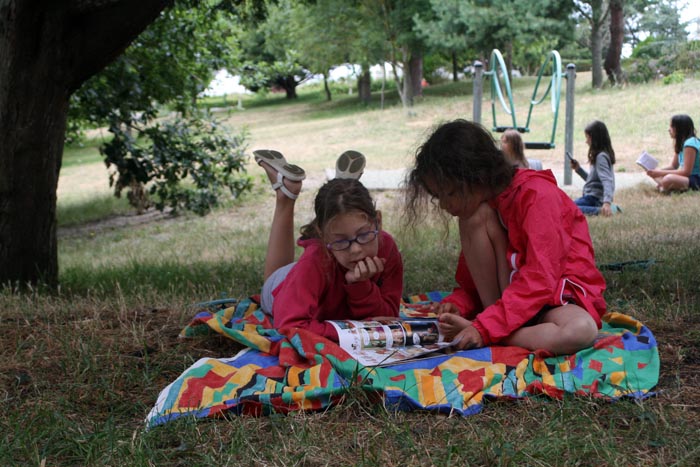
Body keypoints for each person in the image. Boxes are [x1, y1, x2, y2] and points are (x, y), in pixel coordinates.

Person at [404, 119, 607, 355]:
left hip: (552, 297)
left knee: (581, 330)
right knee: (473, 217)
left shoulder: (537, 195)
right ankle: (493, 328)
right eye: (438, 197)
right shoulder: (479, 211)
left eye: (449, 193)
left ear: (475, 174)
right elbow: (471, 284)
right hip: (508, 305)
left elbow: (540, 280)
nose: (446, 205)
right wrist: (459, 304)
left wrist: (483, 328)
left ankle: (495, 333)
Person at [253, 149, 403, 342]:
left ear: (379, 222)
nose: (356, 249)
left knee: (338, 215)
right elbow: (289, 326)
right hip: (285, 285)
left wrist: (360, 286)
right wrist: (350, 332)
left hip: (321, 271)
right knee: (275, 279)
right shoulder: (316, 261)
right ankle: (286, 194)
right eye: (341, 241)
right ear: (323, 238)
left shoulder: (386, 246)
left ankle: (339, 190)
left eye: (364, 234)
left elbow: (389, 316)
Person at [569, 120, 617, 216]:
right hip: (592, 197)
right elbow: (593, 182)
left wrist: (607, 202)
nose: (586, 141)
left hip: (594, 199)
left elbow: (607, 180)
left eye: (587, 137)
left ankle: (600, 211)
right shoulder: (600, 156)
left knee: (568, 208)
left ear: (595, 139)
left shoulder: (601, 157)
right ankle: (603, 209)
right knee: (567, 206)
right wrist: (579, 169)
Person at [645, 114, 700, 193]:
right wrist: (655, 171)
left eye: (671, 127)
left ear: (680, 129)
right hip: (688, 177)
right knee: (663, 177)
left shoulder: (690, 144)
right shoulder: (681, 143)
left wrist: (660, 173)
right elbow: (673, 166)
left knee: (668, 179)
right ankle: (666, 186)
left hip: (696, 178)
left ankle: (665, 186)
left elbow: (686, 172)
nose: (669, 130)